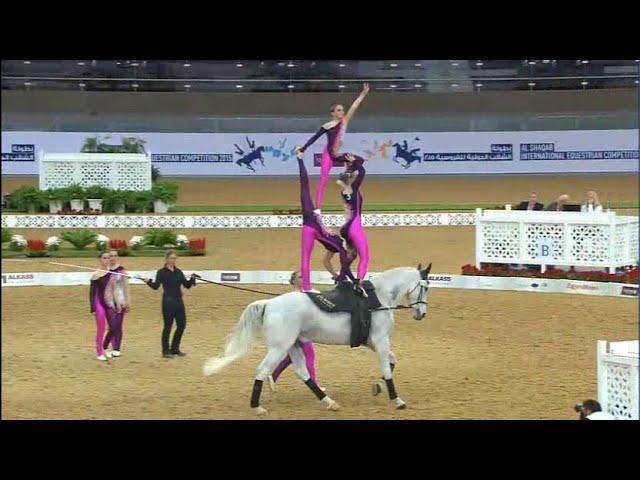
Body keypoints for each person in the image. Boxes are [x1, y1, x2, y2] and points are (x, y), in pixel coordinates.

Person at [296, 83, 370, 213]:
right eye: (339, 110)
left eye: (342, 110)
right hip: (328, 155)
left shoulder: (344, 121)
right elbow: (314, 138)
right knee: (323, 181)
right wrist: (303, 149)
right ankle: (318, 208)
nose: (342, 112)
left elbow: (354, 106)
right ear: (333, 113)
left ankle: (344, 180)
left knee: (359, 160)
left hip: (338, 154)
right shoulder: (327, 125)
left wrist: (363, 94)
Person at [296, 149, 357, 293]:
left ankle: (306, 287)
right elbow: (335, 265)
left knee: (305, 258)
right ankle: (299, 158)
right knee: (304, 185)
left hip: (311, 226)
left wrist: (337, 275)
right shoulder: (342, 243)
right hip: (313, 224)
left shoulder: (340, 250)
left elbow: (329, 263)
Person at [267, 271, 325, 393]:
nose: (303, 278)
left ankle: (273, 376)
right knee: (310, 355)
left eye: (304, 276)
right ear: (294, 281)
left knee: (291, 357)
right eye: (300, 277)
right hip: (298, 331)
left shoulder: (310, 292)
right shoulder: (292, 297)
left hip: (302, 330)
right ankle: (314, 385)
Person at [145, 250, 197, 358]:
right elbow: (156, 286)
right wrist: (148, 282)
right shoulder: (161, 272)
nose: (173, 260)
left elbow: (186, 285)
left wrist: (192, 279)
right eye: (171, 258)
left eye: (175, 258)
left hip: (179, 302)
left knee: (181, 326)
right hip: (168, 303)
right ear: (166, 259)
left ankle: (175, 348)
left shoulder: (178, 272)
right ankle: (165, 350)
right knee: (168, 327)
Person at [337, 153, 369, 291]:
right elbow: (362, 171)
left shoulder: (344, 191)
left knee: (352, 254)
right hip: (354, 226)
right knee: (365, 257)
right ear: (350, 179)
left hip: (345, 228)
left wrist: (350, 165)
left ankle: (342, 277)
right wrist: (354, 162)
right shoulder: (353, 188)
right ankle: (359, 283)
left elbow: (359, 170)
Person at [89, 252, 117, 361]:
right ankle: (99, 351)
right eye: (104, 258)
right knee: (101, 328)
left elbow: (114, 290)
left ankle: (106, 348)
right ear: (100, 260)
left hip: (109, 302)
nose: (106, 260)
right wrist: (93, 308)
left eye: (108, 258)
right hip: (99, 303)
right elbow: (92, 293)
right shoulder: (96, 275)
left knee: (113, 326)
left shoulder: (112, 273)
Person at [102, 249, 129, 357]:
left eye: (115, 256)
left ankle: (117, 348)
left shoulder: (121, 270)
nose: (113, 258)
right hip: (108, 301)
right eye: (111, 256)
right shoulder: (105, 270)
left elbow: (125, 286)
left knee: (118, 325)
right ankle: (104, 345)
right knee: (112, 325)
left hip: (120, 299)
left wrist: (128, 301)